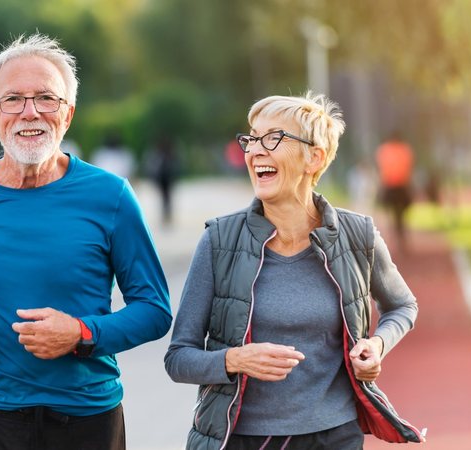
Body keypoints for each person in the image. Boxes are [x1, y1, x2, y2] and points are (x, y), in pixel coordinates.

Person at [0, 34, 172, 450]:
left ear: (67, 115)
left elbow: (155, 309)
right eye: (12, 99)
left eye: (46, 98)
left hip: (86, 421)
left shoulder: (111, 196)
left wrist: (82, 333)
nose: (30, 112)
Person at [165, 92, 424, 450]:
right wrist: (235, 359)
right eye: (251, 139)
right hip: (243, 439)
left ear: (313, 158)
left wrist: (377, 345)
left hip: (336, 435)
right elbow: (179, 358)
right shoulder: (219, 240)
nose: (255, 150)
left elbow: (402, 306)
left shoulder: (358, 235)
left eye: (273, 138)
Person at [375, 131, 414, 253]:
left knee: (393, 214)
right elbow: (409, 169)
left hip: (390, 187)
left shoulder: (383, 150)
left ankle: (396, 232)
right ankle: (400, 233)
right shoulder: (406, 150)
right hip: (402, 187)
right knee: (400, 215)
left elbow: (381, 170)